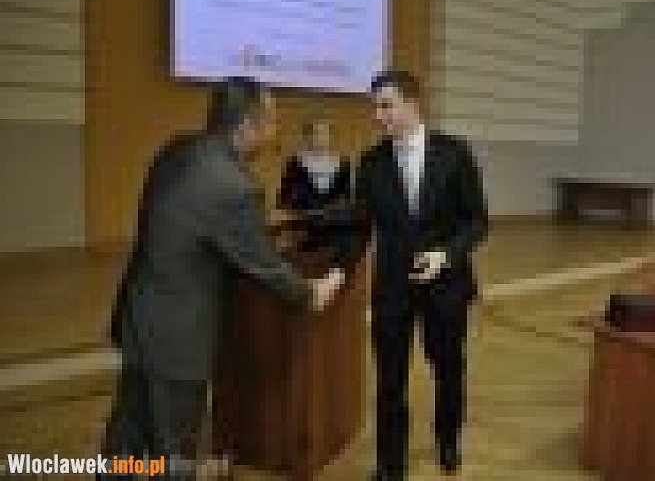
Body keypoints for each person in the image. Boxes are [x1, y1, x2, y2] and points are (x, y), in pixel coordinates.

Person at [98, 78, 343, 480]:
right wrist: (312, 291)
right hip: (179, 342)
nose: (274, 133)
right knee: (173, 455)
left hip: (140, 320)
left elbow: (193, 225)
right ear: (246, 125)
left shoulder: (175, 149)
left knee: (124, 440)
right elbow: (266, 268)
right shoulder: (236, 187)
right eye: (271, 122)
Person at [354, 71, 488, 480]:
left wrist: (445, 255)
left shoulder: (455, 153)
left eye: (386, 106)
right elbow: (359, 227)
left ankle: (448, 440)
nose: (378, 115)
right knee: (389, 378)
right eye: (375, 107)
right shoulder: (371, 163)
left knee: (448, 368)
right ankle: (390, 464)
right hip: (392, 288)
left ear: (412, 104)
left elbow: (477, 221)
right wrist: (337, 269)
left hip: (446, 286)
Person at [279, 120, 355, 265]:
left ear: (330, 137)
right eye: (316, 134)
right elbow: (285, 195)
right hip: (303, 220)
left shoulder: (343, 164)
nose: (320, 138)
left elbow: (346, 195)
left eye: (324, 134)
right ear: (308, 137)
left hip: (333, 221)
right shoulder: (295, 163)